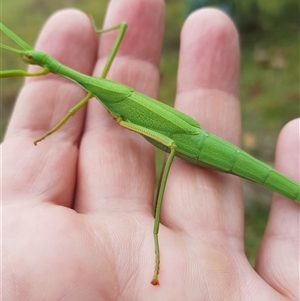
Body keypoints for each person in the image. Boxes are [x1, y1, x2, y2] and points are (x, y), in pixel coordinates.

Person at [2, 0, 299, 299]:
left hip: (188, 141)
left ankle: (154, 235)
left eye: (39, 62)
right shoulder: (95, 87)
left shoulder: (98, 92)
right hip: (187, 132)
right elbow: (120, 31)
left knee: (169, 144)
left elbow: (166, 142)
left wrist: (154, 235)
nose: (36, 64)